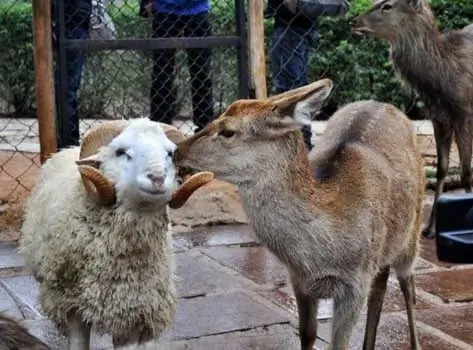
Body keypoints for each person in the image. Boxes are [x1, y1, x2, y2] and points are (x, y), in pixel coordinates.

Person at [265, 0, 349, 151]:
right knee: (294, 88)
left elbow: (293, 4)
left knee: (291, 91)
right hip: (296, 28)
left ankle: (300, 148)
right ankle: (301, 147)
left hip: (292, 29)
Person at [140, 0, 215, 132]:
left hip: (197, 8)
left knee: (201, 72)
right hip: (164, 10)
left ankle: (205, 126)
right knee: (162, 73)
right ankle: (160, 126)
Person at [51, 0, 93, 148]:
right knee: (66, 87)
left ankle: (68, 144)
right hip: (71, 17)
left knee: (66, 87)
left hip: (71, 18)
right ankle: (68, 142)